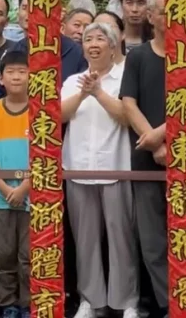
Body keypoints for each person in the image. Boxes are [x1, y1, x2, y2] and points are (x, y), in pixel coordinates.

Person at [120, 0, 186, 315]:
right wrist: (151, 140)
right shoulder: (137, 56)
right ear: (150, 17)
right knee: (153, 241)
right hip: (145, 160)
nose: (170, 17)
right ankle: (168, 303)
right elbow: (128, 102)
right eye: (163, 10)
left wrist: (159, 137)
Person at [60, 21, 137, 318]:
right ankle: (90, 300)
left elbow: (125, 117)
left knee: (121, 237)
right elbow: (60, 114)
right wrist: (83, 92)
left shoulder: (124, 77)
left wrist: (99, 93)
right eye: (87, 39)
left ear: (113, 45)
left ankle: (126, 301)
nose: (93, 44)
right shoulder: (73, 80)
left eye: (99, 39)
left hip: (116, 165)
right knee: (85, 239)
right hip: (78, 166)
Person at [0, 49, 31, 318]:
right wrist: (3, 186)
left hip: (30, 195)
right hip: (1, 196)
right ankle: (7, 304)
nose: (16, 77)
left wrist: (23, 187)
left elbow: (45, 151)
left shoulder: (39, 109)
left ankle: (28, 303)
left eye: (22, 71)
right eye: (10, 72)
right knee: (4, 254)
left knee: (28, 255)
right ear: (0, 77)